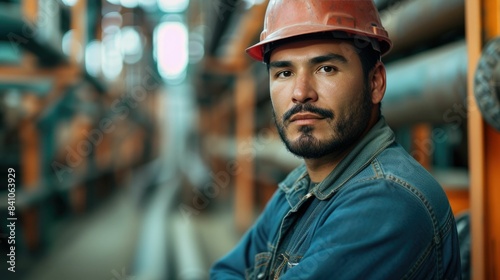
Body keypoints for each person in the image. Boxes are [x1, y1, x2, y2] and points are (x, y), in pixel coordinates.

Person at [210, 0, 462, 279]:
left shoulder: (387, 201)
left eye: (325, 68)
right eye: (284, 73)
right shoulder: (296, 187)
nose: (301, 93)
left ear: (375, 82)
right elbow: (225, 271)